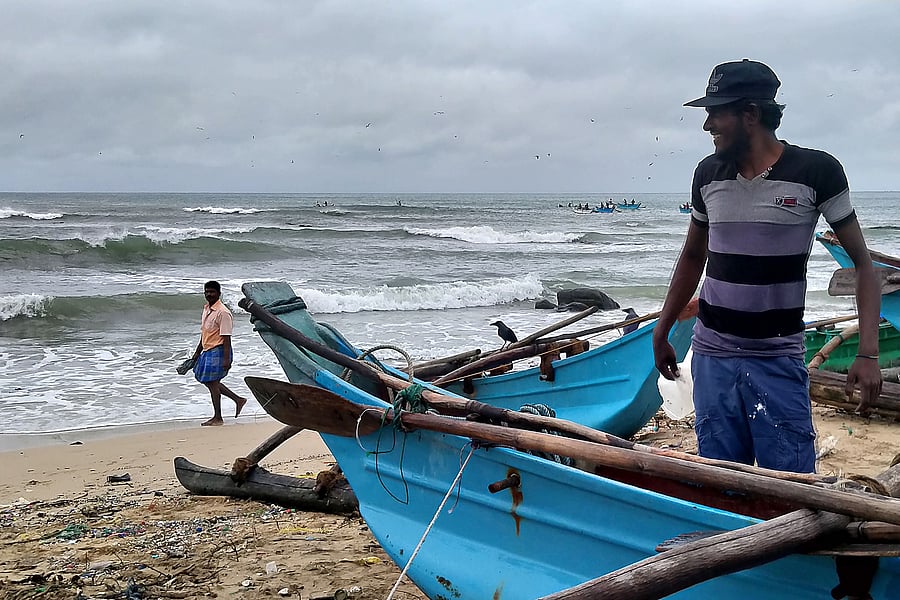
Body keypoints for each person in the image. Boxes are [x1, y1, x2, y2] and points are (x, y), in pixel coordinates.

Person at [652, 59, 882, 473]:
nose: (708, 126)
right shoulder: (708, 174)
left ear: (751, 114)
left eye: (716, 113)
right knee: (722, 483)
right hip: (712, 357)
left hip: (776, 359)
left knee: (790, 485)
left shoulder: (816, 172)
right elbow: (692, 256)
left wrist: (868, 353)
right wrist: (663, 328)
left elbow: (864, 267)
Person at [191, 280, 248, 426]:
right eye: (207, 292)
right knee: (209, 381)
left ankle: (218, 417)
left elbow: (227, 337)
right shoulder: (206, 309)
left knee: (213, 383)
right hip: (207, 350)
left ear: (219, 294)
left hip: (219, 350)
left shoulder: (223, 313)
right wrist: (197, 352)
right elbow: (204, 333)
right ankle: (238, 400)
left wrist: (226, 359)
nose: (209, 294)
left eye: (212, 292)